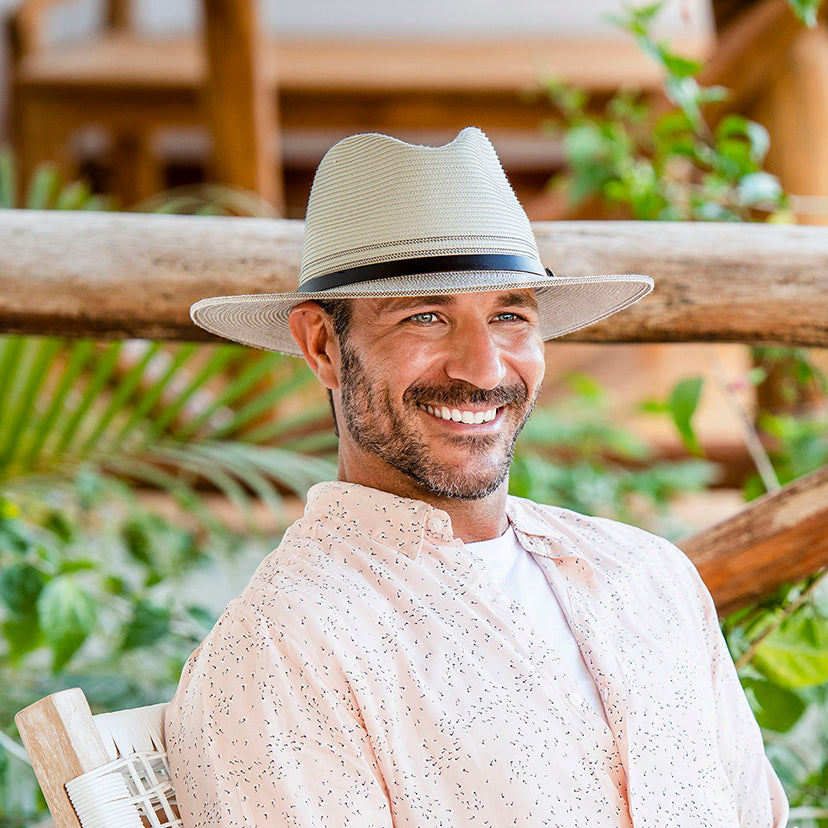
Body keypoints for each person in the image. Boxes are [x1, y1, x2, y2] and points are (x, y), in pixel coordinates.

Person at [168, 127, 788, 826]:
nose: (485, 369)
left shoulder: (649, 576)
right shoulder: (286, 648)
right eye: (426, 317)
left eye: (510, 314)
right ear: (322, 347)